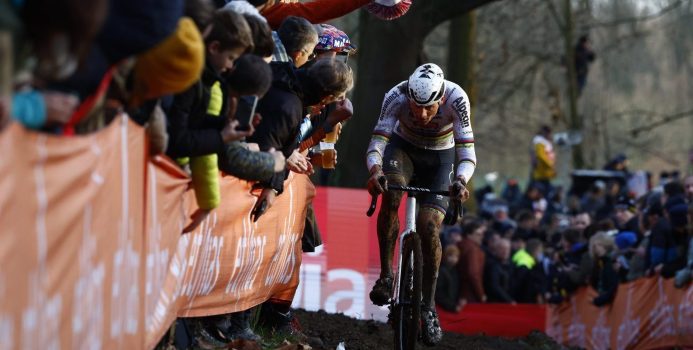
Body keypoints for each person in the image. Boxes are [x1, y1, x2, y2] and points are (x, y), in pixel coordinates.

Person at [365, 63, 475, 345]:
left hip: (441, 158)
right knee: (391, 193)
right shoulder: (396, 95)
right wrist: (375, 170)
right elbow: (379, 139)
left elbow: (466, 150)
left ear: (441, 99)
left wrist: (461, 181)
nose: (422, 114)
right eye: (416, 107)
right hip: (404, 150)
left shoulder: (457, 98)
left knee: (429, 226)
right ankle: (387, 276)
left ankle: (428, 307)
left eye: (429, 108)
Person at [457, 220, 487, 304]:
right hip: (470, 295)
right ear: (469, 235)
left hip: (458, 293)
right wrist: (481, 295)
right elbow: (473, 274)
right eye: (478, 234)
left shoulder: (459, 245)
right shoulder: (473, 249)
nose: (481, 237)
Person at [589, 232, 618, 306]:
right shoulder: (598, 264)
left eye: (599, 245)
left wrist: (603, 298)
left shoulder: (613, 260)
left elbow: (615, 283)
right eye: (594, 246)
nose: (597, 248)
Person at [484, 238, 515, 303]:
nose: (505, 251)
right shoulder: (492, 265)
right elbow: (494, 286)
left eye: (507, 249)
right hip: (496, 303)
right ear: (496, 250)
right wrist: (509, 300)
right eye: (502, 249)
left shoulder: (511, 264)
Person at [530, 125, 556, 195]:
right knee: (542, 192)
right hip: (541, 173)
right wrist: (550, 164)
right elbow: (541, 156)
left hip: (545, 173)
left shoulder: (545, 143)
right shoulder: (540, 143)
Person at [435, 245, 461, 312]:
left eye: (456, 256)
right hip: (444, 308)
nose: (453, 259)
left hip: (451, 305)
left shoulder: (455, 271)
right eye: (451, 256)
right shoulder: (441, 271)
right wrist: (451, 306)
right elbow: (439, 293)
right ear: (445, 256)